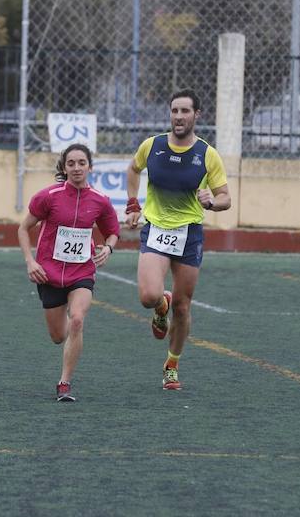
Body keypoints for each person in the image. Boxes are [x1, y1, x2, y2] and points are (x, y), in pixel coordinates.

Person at [125, 89, 231, 390]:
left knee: (183, 308)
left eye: (185, 111)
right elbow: (133, 170)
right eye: (174, 111)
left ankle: (172, 364)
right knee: (148, 296)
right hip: (156, 229)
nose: (179, 117)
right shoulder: (153, 146)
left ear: (197, 115)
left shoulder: (207, 155)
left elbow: (226, 198)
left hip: (189, 235)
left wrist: (211, 201)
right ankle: (161, 308)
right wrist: (133, 203)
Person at [17, 143, 120, 401]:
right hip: (49, 274)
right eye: (71, 163)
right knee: (57, 336)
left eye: (81, 163)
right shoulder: (48, 196)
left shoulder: (100, 201)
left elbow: (113, 232)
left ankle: (64, 383)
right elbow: (23, 228)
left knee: (77, 319)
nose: (76, 168)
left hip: (81, 272)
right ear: (64, 167)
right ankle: (65, 334)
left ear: (90, 167)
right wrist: (31, 261)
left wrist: (108, 248)